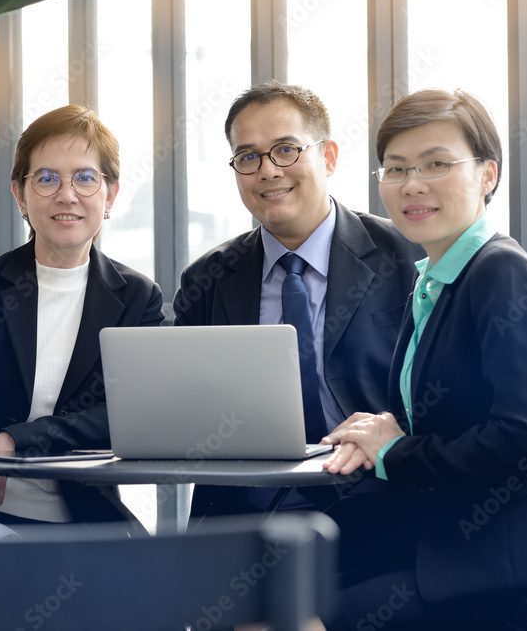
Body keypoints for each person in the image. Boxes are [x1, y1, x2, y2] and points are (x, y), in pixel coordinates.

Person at [322, 89, 527, 629]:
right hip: (458, 555)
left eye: (437, 164)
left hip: (514, 579)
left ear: (488, 175)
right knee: (281, 593)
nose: (412, 184)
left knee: (301, 616)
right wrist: (382, 431)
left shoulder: (500, 272)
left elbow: (524, 440)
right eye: (395, 168)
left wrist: (396, 451)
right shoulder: (438, 280)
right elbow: (455, 416)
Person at [175, 80, 422, 519]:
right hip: (245, 511)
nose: (268, 170)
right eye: (248, 156)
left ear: (328, 157)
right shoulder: (207, 279)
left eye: (286, 149)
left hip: (381, 502)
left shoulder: (407, 256)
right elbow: (187, 411)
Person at [0, 104, 164, 525]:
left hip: (86, 522)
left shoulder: (138, 298)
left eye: (86, 178)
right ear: (20, 194)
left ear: (110, 195)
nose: (66, 195)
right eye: (47, 178)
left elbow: (133, 414)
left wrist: (19, 440)